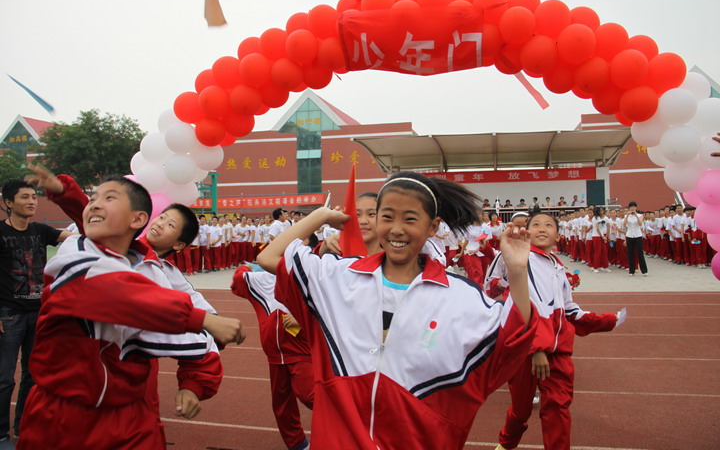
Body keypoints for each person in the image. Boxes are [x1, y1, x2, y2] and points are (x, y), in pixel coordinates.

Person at [258, 171, 538, 449]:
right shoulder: (339, 277)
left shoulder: (460, 297)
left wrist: (516, 270)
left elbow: (511, 338)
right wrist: (320, 216)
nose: (396, 229)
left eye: (410, 219)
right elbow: (270, 257)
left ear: (433, 227)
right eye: (388, 217)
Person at [16, 175, 244, 450]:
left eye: (170, 224)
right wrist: (67, 192)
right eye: (162, 218)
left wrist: (194, 384)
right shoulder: (80, 251)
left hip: (131, 406)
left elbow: (207, 336)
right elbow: (119, 290)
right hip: (62, 407)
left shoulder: (164, 276)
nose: (160, 224)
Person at [491, 212, 623, 450]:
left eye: (548, 225)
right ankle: (506, 444)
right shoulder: (524, 260)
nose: (542, 228)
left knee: (558, 406)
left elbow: (569, 310)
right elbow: (525, 304)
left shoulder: (558, 268)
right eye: (536, 224)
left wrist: (606, 321)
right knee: (521, 410)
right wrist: (537, 348)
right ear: (527, 231)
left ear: (559, 236)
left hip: (559, 350)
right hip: (527, 348)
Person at [0, 180, 74, 448]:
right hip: (8, 315)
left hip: (38, 313)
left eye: (34, 197)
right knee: (4, 378)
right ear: (9, 203)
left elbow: (76, 237)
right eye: (25, 197)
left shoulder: (41, 231)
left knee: (33, 375)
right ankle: (0, 434)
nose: (32, 201)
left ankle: (24, 426)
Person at [231, 266, 312, 450]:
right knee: (282, 405)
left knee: (310, 394)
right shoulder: (262, 280)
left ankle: (350, 426)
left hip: (301, 352)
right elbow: (238, 280)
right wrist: (248, 267)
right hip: (274, 356)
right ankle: (298, 444)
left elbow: (331, 309)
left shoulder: (309, 276)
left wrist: (303, 318)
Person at [623, 202, 647, 276]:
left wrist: (636, 216)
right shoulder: (626, 216)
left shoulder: (640, 215)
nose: (632, 208)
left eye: (634, 207)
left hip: (638, 235)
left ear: (636, 208)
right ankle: (631, 271)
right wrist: (627, 215)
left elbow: (640, 224)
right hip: (629, 235)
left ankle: (644, 271)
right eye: (631, 207)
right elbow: (624, 224)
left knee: (640, 253)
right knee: (630, 253)